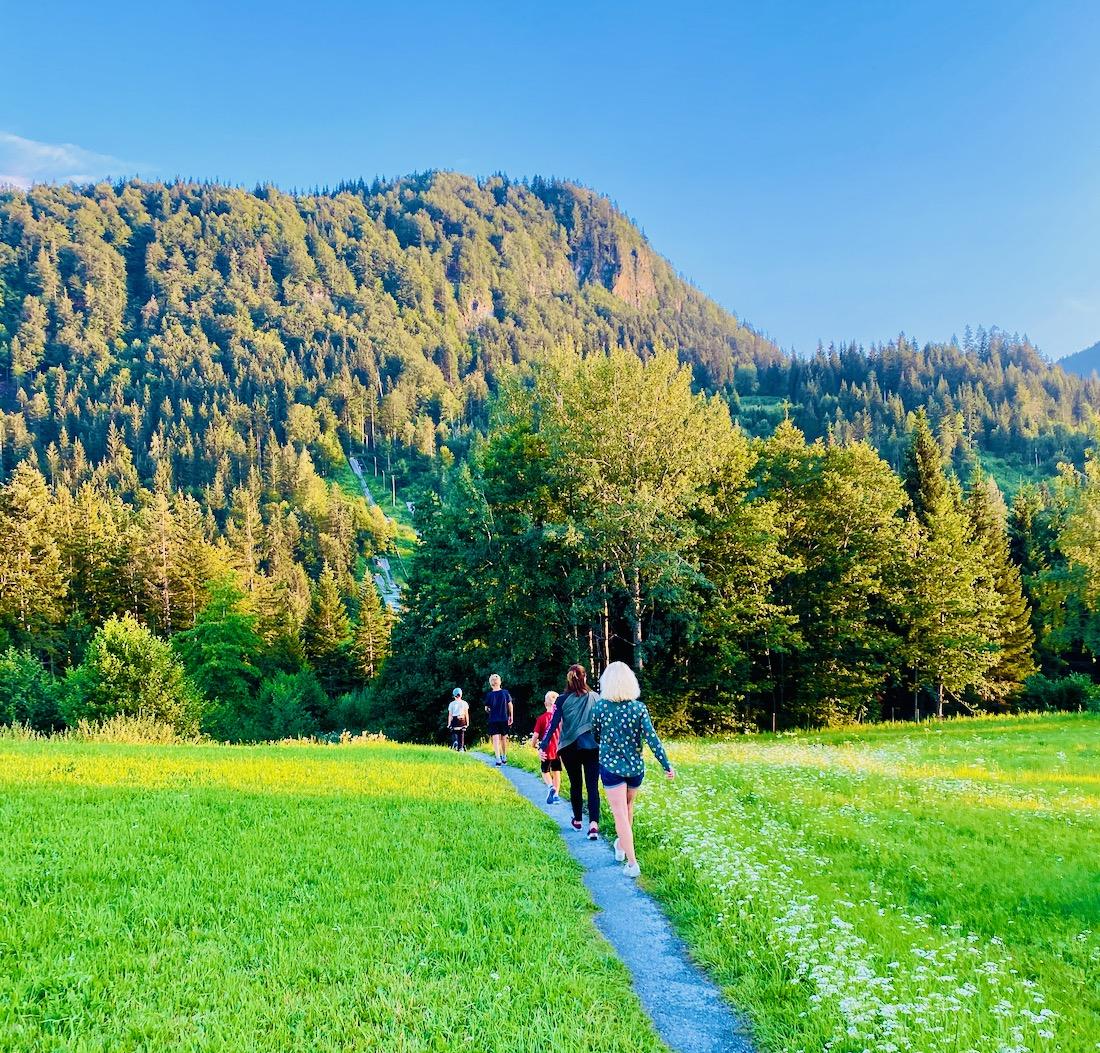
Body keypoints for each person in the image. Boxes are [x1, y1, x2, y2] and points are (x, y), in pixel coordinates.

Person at [592, 661, 674, 879]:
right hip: (635, 768)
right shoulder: (639, 708)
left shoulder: (600, 707)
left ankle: (632, 863)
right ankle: (621, 844)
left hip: (610, 767)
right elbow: (652, 738)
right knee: (628, 807)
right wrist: (666, 765)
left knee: (620, 814)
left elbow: (595, 735)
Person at [539, 663, 601, 839]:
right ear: (585, 678)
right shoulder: (596, 697)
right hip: (592, 747)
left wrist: (543, 745)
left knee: (576, 784)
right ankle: (594, 825)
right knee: (592, 786)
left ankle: (578, 820)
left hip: (569, 748)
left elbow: (553, 725)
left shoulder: (562, 700)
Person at [531, 691, 562, 804]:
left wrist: (533, 745)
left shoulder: (541, 718)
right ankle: (556, 795)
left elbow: (535, 736)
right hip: (557, 749)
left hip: (546, 750)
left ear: (545, 704)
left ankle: (550, 787)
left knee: (545, 771)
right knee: (557, 771)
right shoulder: (560, 719)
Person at [483, 673, 513, 765]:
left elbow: (486, 708)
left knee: (495, 739)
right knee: (504, 738)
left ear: (490, 683)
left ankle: (497, 758)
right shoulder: (505, 693)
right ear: (500, 682)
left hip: (493, 719)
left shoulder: (489, 695)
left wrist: (489, 711)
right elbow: (510, 705)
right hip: (504, 718)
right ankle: (504, 756)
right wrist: (511, 716)